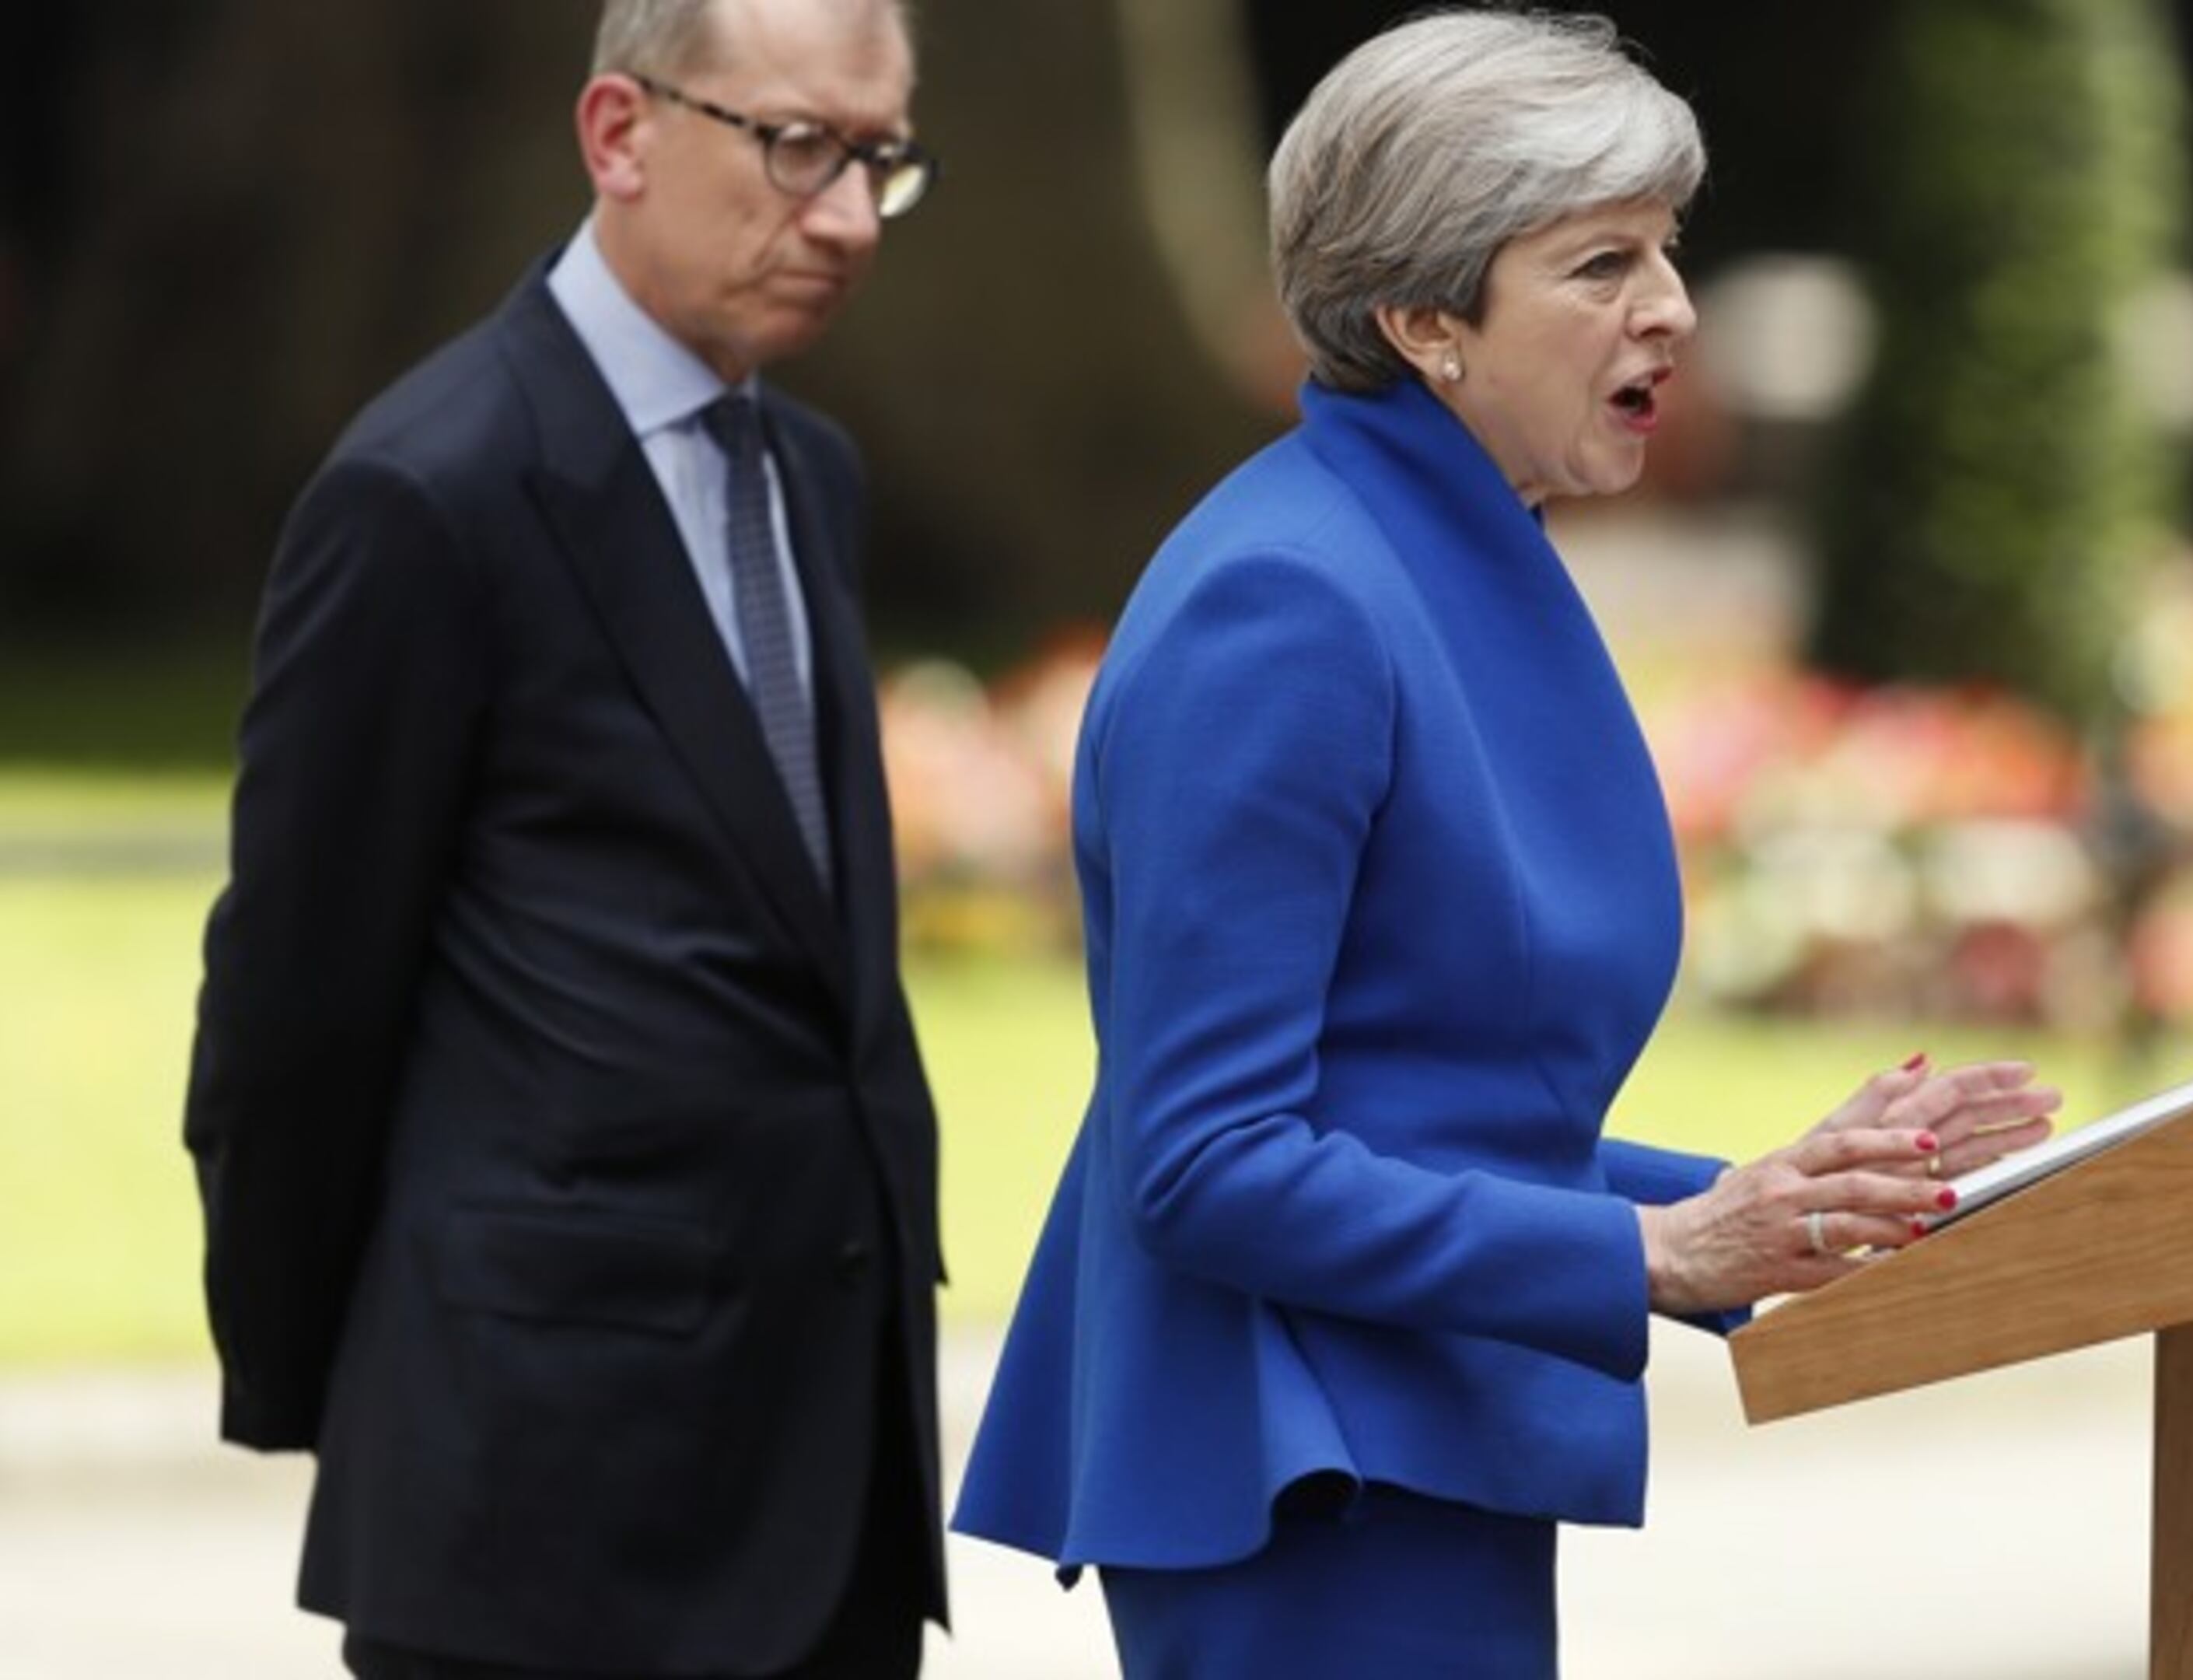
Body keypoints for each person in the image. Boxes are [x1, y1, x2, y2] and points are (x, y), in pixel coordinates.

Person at [950, 11, 2064, 1675]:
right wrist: (1659, 1253)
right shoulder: (1291, 603)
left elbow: (1421, 1102)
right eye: (1601, 263)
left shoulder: (1450, 543)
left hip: (1405, 1448)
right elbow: (1205, 1163)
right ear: (1424, 322)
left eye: (1666, 249)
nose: (1671, 307)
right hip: (1301, 1479)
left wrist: (1776, 1202)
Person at [180, 2, 946, 1674]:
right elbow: (292, 1014)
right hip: (539, 1517)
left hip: (828, 1495)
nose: (843, 216)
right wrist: (362, 1390)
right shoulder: (429, 489)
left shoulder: (807, 475)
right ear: (619, 133)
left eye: (878, 160)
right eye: (796, 146)